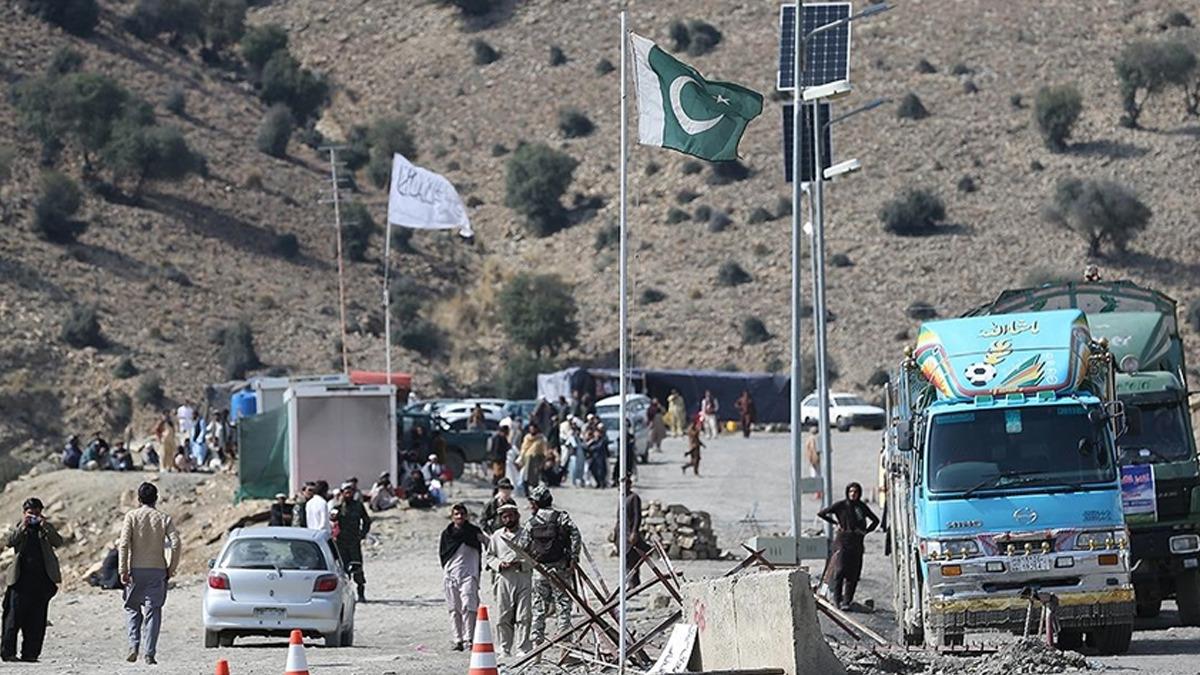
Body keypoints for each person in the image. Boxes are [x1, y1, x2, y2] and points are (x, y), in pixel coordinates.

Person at [119, 482, 181, 665]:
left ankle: (133, 645)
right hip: (157, 569)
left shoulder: (131, 516)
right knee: (153, 610)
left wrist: (123, 569)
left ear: (139, 499)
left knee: (132, 607)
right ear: (156, 498)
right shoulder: (164, 518)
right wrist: (171, 567)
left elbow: (124, 544)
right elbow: (176, 543)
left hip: (136, 569)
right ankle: (149, 653)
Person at [517, 486, 581, 646]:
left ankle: (537, 643)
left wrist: (533, 559)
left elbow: (522, 546)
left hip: (540, 571)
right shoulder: (561, 517)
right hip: (560, 569)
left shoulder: (531, 523)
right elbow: (575, 534)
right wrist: (574, 558)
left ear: (536, 503)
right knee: (563, 605)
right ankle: (565, 643)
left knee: (538, 606)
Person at [2, 498, 63, 663]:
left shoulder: (45, 529)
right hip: (20, 581)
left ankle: (31, 654)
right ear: (24, 513)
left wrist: (46, 526)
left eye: (37, 513)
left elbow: (58, 542)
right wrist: (23, 526)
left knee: (37, 620)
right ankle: (8, 653)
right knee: (12, 618)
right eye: (30, 513)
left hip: (41, 581)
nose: (34, 516)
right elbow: (9, 542)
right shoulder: (19, 527)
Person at [817, 482, 880, 611]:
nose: (853, 494)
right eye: (851, 491)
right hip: (842, 540)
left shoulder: (861, 507)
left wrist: (865, 531)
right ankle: (837, 600)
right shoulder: (841, 505)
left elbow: (875, 520)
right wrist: (836, 523)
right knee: (839, 570)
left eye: (855, 492)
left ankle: (847, 601)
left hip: (856, 541)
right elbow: (822, 513)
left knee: (853, 573)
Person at [439, 503, 487, 651]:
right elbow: (443, 555)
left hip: (469, 574)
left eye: (462, 514)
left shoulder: (473, 532)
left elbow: (489, 544)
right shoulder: (447, 534)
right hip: (451, 575)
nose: (459, 516)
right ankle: (457, 639)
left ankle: (469, 638)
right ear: (452, 517)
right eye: (456, 514)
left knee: (469, 606)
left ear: (466, 516)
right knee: (454, 608)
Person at [485, 504, 532, 658]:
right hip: (504, 578)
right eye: (505, 517)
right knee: (503, 615)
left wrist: (521, 564)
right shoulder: (497, 536)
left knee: (524, 615)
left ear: (517, 516)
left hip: (523, 577)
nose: (508, 519)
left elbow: (535, 557)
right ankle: (504, 648)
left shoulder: (526, 534)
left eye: (511, 515)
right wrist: (500, 564)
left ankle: (523, 648)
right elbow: (489, 556)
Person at [332, 482, 371, 602]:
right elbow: (331, 522)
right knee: (343, 569)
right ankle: (345, 595)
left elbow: (366, 520)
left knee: (357, 568)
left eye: (350, 492)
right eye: (346, 492)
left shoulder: (358, 506)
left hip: (354, 541)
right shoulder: (337, 507)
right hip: (341, 542)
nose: (348, 494)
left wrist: (362, 534)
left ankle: (361, 594)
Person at [614, 475, 645, 586]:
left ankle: (634, 585)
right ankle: (627, 583)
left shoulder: (634, 498)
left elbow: (637, 516)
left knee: (632, 560)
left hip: (630, 534)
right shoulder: (622, 498)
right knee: (624, 561)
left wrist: (634, 532)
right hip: (621, 533)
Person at [518, 423, 547, 497]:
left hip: (536, 459)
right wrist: (521, 458)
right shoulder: (527, 437)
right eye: (531, 429)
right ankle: (526, 493)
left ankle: (535, 494)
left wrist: (543, 460)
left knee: (535, 477)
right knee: (526, 476)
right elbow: (523, 448)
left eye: (533, 429)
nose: (532, 430)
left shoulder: (541, 438)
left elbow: (543, 449)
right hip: (527, 459)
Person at [805, 426, 822, 501]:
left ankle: (817, 493)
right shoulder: (818, 438)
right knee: (817, 474)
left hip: (813, 459)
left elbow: (812, 449)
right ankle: (819, 492)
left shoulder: (812, 439)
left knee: (815, 475)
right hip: (816, 459)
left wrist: (813, 459)